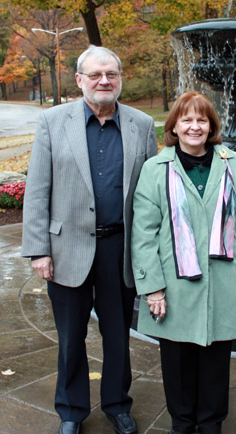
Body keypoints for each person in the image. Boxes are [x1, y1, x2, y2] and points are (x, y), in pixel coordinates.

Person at [21, 45, 158, 434]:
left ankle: (117, 404)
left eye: (111, 74)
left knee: (118, 335)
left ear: (119, 79)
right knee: (70, 337)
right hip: (65, 251)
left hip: (120, 249)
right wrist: (38, 250)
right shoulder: (52, 122)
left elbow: (151, 195)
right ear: (79, 79)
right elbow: (37, 189)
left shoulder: (142, 124)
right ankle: (71, 411)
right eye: (95, 75)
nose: (104, 81)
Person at [131, 91, 236, 434]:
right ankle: (182, 422)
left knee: (217, 359)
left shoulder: (233, 163)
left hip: (225, 277)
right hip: (174, 283)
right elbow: (143, 233)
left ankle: (210, 423)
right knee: (177, 360)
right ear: (174, 126)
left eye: (201, 120)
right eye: (186, 119)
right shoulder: (155, 169)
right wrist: (152, 288)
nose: (194, 126)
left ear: (211, 125)